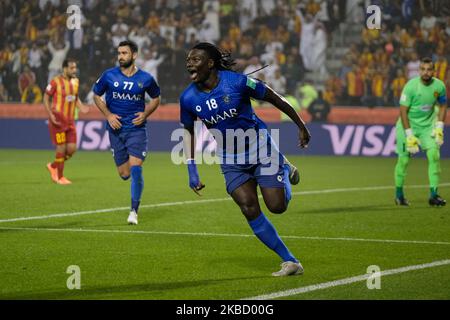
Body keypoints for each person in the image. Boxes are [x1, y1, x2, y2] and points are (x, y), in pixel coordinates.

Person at [180, 43, 311, 276]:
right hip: (230, 159)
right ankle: (290, 261)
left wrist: (301, 126)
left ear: (210, 63)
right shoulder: (188, 98)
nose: (189, 63)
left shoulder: (238, 82)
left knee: (277, 207)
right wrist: (192, 169)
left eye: (196, 59)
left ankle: (283, 166)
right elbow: (188, 132)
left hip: (261, 149)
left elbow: (276, 99)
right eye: (188, 59)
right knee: (249, 208)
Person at [93, 40, 161, 225]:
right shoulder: (109, 75)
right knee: (124, 174)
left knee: (136, 169)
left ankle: (133, 212)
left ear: (134, 55)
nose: (120, 56)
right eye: (119, 53)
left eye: (124, 53)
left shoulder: (145, 78)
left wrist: (146, 113)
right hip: (115, 131)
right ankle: (131, 183)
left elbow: (156, 98)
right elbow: (96, 95)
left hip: (136, 130)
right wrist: (108, 115)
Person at [394, 57, 447, 207]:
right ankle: (399, 195)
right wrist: (409, 135)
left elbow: (443, 106)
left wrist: (439, 127)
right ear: (419, 71)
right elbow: (403, 111)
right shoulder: (410, 86)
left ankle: (433, 195)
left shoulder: (439, 86)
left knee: (434, 156)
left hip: (427, 127)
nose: (426, 72)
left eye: (429, 69)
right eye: (423, 69)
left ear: (433, 71)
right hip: (408, 126)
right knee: (403, 161)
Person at [44, 58, 89, 185]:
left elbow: (75, 97)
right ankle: (60, 176)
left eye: (75, 67)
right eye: (71, 68)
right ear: (64, 69)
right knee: (61, 148)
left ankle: (53, 166)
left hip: (70, 121)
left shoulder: (76, 81)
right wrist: (50, 114)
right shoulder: (55, 82)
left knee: (72, 149)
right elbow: (46, 97)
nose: (74, 70)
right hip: (57, 120)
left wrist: (82, 107)